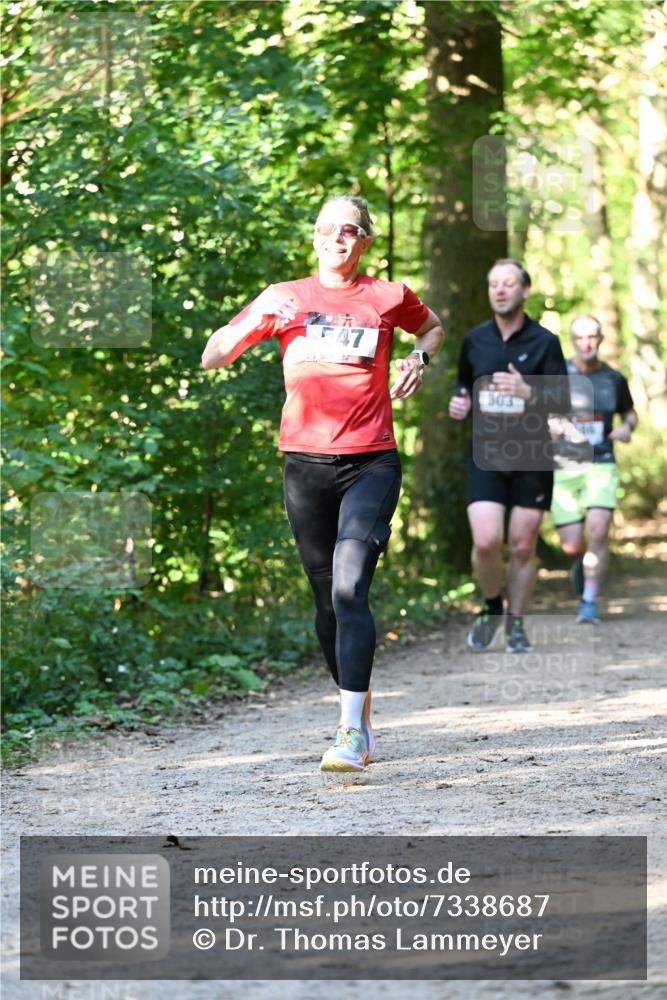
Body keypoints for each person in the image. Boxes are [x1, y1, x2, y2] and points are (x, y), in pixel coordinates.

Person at [202, 195, 443, 772]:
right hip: (305, 466)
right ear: (314, 238)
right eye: (325, 229)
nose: (335, 237)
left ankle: (347, 734)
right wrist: (227, 341)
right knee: (325, 604)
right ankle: (358, 714)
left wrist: (417, 358)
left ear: (365, 241)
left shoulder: (387, 296)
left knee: (348, 588)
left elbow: (432, 328)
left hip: (372, 462)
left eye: (349, 229)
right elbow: (215, 354)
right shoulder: (285, 298)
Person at [448, 259, 569, 653]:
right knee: (485, 541)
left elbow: (563, 400)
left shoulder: (545, 341)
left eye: (509, 283)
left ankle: (516, 622)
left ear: (525, 290)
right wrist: (459, 404)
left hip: (532, 455)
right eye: (494, 284)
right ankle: (491, 607)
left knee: (521, 545)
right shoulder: (474, 340)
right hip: (485, 454)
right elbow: (463, 387)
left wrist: (529, 392)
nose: (500, 290)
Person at [550, 314, 637, 624]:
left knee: (598, 530)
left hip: (602, 462)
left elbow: (630, 413)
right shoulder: (559, 374)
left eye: (592, 337)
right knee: (573, 542)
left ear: (600, 340)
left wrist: (627, 427)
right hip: (564, 465)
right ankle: (584, 560)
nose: (586, 343)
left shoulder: (614, 378)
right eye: (579, 338)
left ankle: (589, 600)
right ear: (572, 341)